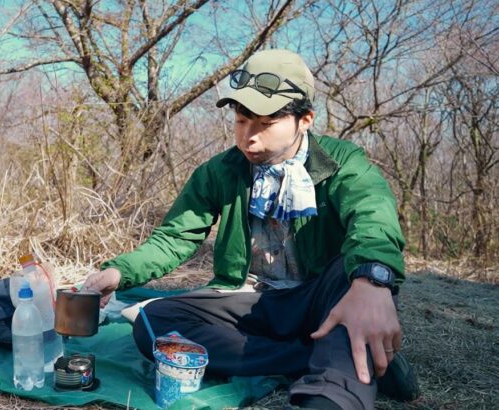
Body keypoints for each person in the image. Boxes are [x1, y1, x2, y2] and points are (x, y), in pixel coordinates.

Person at [82, 49, 418, 409]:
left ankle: (331, 394)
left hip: (319, 298)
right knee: (154, 321)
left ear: (304, 119)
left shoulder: (342, 162)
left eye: (265, 123)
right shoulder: (220, 171)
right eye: (242, 120)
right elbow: (175, 237)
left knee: (349, 276)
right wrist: (119, 271)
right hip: (253, 300)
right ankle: (313, 356)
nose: (249, 137)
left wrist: (372, 279)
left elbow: (373, 217)